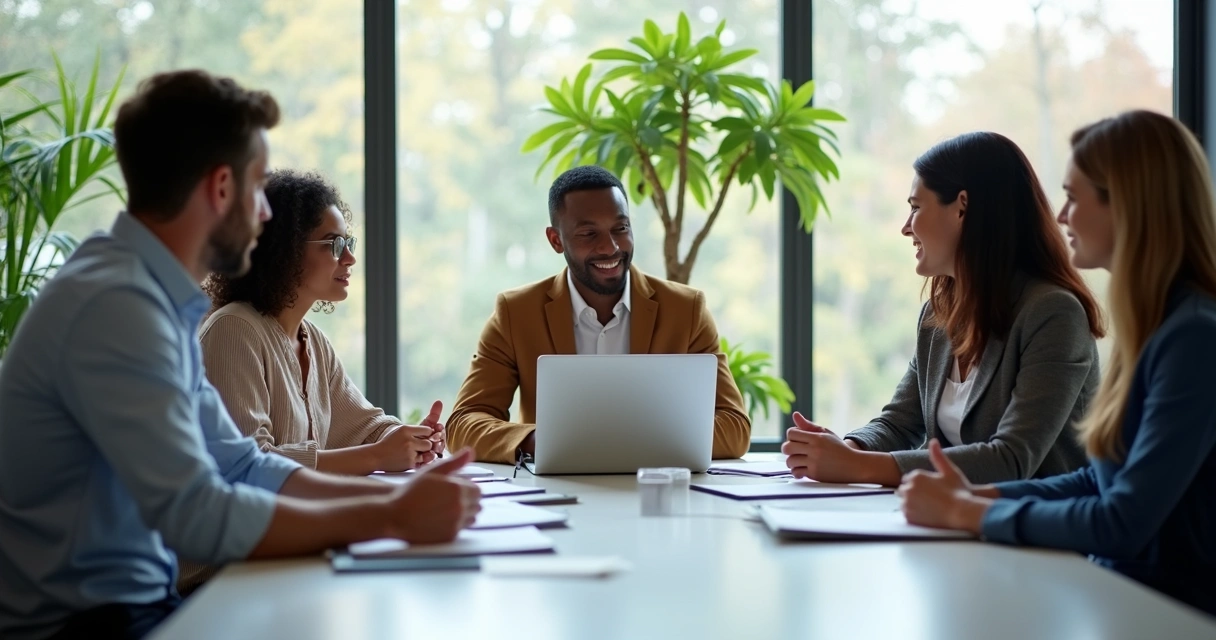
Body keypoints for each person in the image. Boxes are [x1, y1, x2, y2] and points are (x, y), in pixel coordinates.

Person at [0, 70, 480, 640]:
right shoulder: (117, 306)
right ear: (221, 188)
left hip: (133, 607)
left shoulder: (148, 297)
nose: (268, 213)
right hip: (82, 626)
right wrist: (391, 516)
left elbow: (243, 465)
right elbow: (197, 514)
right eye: (258, 187)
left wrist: (400, 495)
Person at [900, 110, 1216, 617]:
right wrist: (981, 496)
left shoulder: (1195, 336)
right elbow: (1099, 480)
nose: (1062, 215)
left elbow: (1122, 520)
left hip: (1169, 613)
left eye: (1074, 196)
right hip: (1121, 597)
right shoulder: (1157, 322)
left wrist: (972, 513)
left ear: (1127, 205)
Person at [784, 132, 1104, 486]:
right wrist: (846, 449)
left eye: (916, 207)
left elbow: (1012, 459)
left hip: (1032, 534)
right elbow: (899, 423)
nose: (906, 227)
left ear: (962, 207)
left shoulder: (1053, 314)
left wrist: (857, 466)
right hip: (953, 524)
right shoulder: (937, 316)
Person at [447, 165, 751, 463]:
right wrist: (538, 441)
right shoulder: (516, 313)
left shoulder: (686, 310)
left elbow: (735, 429)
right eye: (589, 233)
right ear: (556, 240)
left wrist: (621, 440)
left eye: (621, 228)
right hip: (556, 496)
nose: (611, 247)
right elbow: (463, 424)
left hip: (653, 494)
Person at [199, 169, 444, 475]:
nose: (351, 258)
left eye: (348, 243)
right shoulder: (233, 330)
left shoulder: (313, 341)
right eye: (335, 245)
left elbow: (366, 428)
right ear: (284, 250)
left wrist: (412, 439)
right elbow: (249, 466)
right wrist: (378, 457)